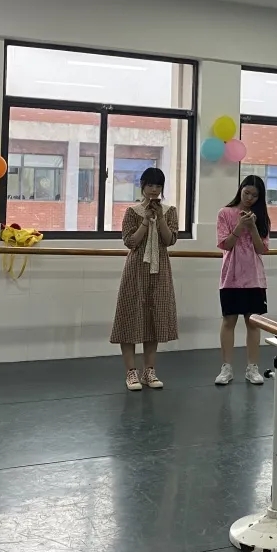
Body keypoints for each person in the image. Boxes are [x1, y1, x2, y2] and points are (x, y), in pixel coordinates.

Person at [111, 167, 179, 391]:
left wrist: (159, 219)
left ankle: (149, 370)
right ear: (142, 186)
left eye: (158, 186)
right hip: (136, 269)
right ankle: (131, 372)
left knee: (154, 317)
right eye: (150, 185)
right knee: (130, 316)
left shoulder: (169, 211)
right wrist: (145, 220)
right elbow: (130, 242)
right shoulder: (132, 211)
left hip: (160, 270)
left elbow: (169, 240)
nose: (154, 190)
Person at [215, 174, 271, 386]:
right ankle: (226, 368)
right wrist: (240, 226)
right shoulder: (225, 213)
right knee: (229, 321)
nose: (249, 198)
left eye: (254, 196)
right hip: (231, 277)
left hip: (254, 278)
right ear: (240, 190)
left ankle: (252, 368)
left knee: (253, 323)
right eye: (246, 193)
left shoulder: (262, 218)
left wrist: (253, 227)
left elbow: (262, 249)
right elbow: (225, 244)